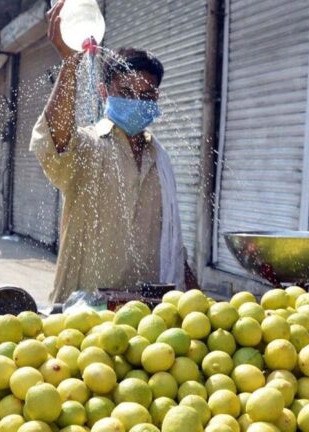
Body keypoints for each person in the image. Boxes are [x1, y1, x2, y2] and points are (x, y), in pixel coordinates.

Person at [30, 0, 197, 303]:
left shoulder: (159, 160)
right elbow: (56, 140)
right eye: (126, 92)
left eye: (146, 95)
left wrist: (194, 292)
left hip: (147, 317)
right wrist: (70, 64)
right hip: (82, 312)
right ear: (104, 92)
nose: (137, 101)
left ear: (156, 97)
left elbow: (170, 241)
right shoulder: (89, 147)